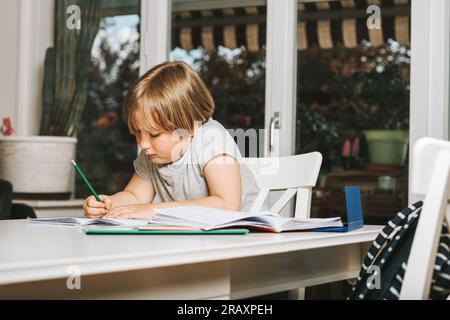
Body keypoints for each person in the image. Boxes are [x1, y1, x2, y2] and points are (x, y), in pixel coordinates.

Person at [83, 61, 260, 219]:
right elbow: (135, 197)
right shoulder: (154, 153)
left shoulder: (211, 139)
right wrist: (107, 204)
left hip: (250, 240)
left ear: (188, 127)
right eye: (137, 132)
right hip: (195, 241)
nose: (143, 144)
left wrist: (153, 210)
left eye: (154, 134)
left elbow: (227, 205)